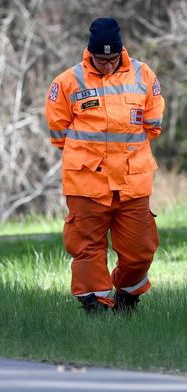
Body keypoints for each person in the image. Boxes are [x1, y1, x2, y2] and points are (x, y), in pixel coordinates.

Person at [45, 17, 165, 314]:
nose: (108, 65)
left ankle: (126, 293)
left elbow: (153, 124)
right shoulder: (67, 82)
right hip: (87, 182)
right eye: (101, 59)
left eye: (112, 59)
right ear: (90, 53)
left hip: (132, 181)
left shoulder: (143, 75)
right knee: (87, 249)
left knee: (141, 250)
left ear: (121, 52)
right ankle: (95, 307)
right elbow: (58, 133)